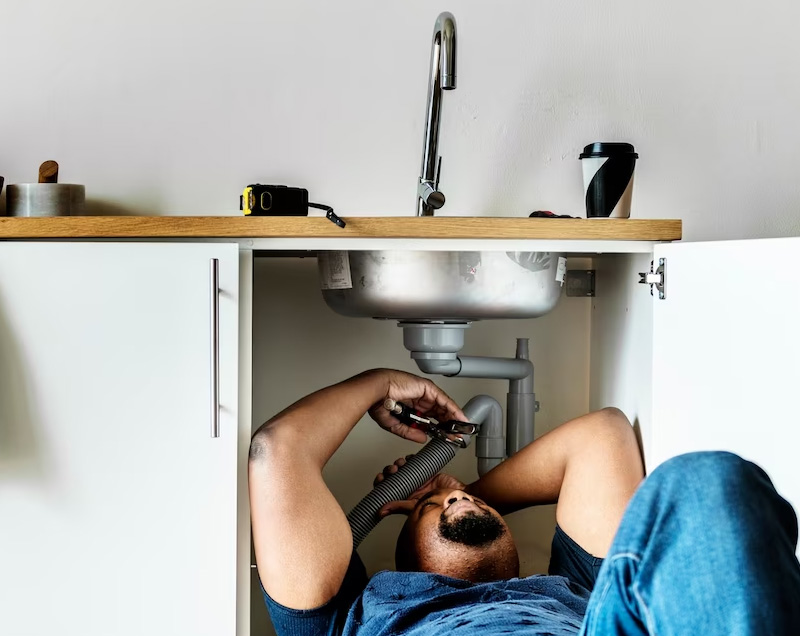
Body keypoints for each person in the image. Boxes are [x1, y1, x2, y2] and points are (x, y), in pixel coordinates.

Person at [248, 369, 800, 635]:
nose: (456, 499)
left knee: (705, 482)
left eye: (459, 500)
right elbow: (276, 451)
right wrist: (380, 383)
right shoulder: (351, 615)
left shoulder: (575, 590)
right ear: (403, 563)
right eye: (429, 512)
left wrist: (453, 496)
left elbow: (601, 436)